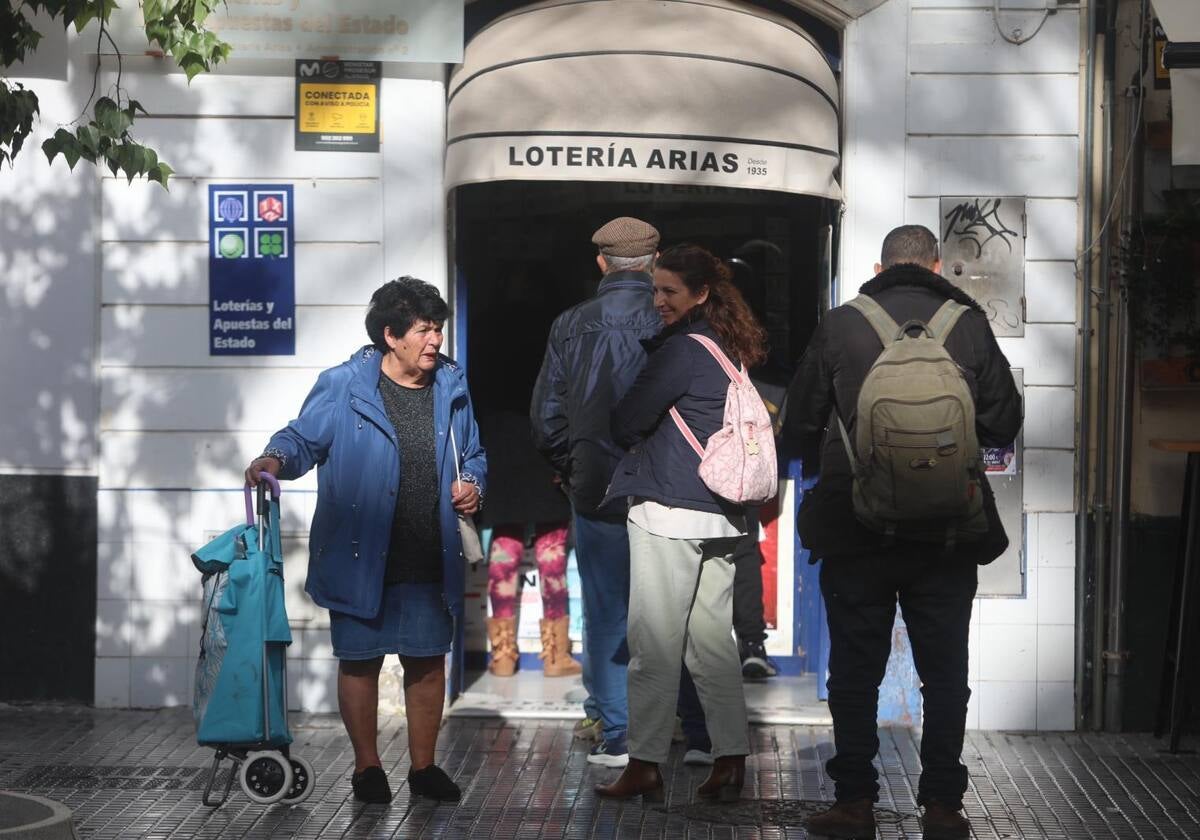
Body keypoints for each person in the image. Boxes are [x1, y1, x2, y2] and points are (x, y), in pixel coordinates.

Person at [782, 226, 1021, 840]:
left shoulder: (841, 324)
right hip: (946, 532)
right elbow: (1001, 423)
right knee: (944, 674)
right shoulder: (966, 323)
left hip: (854, 531)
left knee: (855, 674)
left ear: (878, 265)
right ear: (938, 265)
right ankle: (942, 805)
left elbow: (800, 422)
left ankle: (854, 803)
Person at [243, 277, 486, 804]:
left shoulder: (452, 386)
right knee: (360, 661)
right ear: (391, 335)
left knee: (427, 662)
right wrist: (273, 459)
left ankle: (424, 769)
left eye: (438, 329)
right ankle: (367, 768)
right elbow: (302, 438)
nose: (435, 340)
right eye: (424, 330)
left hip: (430, 551)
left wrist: (474, 486)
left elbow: (474, 454)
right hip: (361, 551)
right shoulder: (344, 385)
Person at [595, 243, 768, 803]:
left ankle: (644, 763)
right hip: (721, 514)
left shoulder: (681, 350)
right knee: (712, 642)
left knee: (654, 643)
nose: (660, 301)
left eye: (669, 291)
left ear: (701, 294)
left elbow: (628, 419)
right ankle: (730, 761)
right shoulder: (728, 349)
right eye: (656, 290)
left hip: (669, 510)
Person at [530, 216, 663, 768]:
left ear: (601, 263)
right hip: (667, 488)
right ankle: (672, 723)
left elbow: (547, 416)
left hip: (596, 486)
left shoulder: (572, 323)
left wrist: (570, 465)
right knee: (671, 612)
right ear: (656, 260)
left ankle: (618, 733)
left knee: (607, 610)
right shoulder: (672, 318)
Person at [469, 267, 579, 679]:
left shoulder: (485, 327)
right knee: (552, 550)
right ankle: (555, 655)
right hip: (543, 443)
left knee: (505, 546)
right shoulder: (555, 329)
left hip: (498, 444)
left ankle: (502, 655)